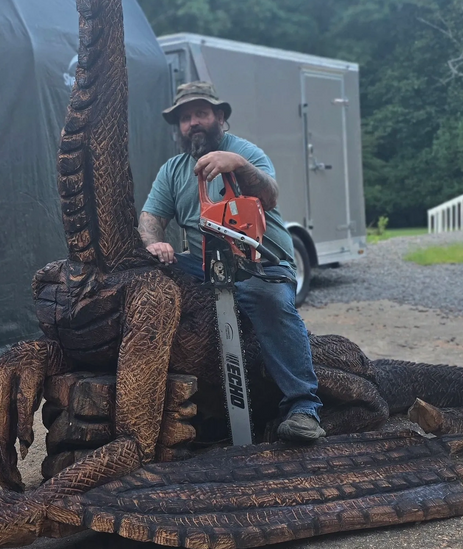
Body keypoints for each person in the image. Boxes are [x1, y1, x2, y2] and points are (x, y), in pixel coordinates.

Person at [139, 81, 325, 442]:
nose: (193, 122)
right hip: (206, 265)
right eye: (186, 117)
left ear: (219, 117)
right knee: (148, 277)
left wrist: (238, 165)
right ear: (179, 127)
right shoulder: (173, 170)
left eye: (201, 113)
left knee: (269, 298)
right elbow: (150, 217)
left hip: (262, 262)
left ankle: (304, 408)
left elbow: (270, 195)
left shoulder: (245, 153)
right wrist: (155, 243)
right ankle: (178, 406)